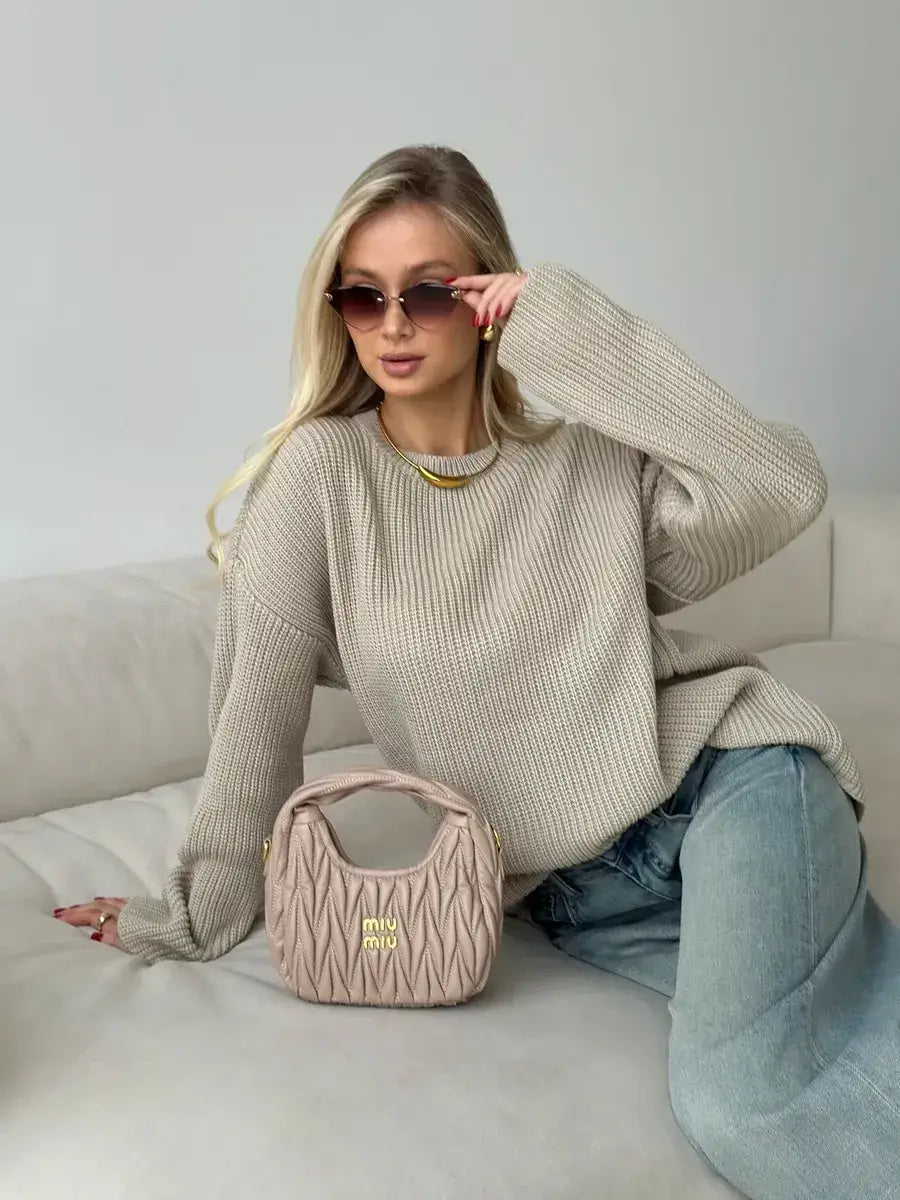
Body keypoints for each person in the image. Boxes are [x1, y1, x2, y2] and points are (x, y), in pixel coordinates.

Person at [53, 144, 899, 1198]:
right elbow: (253, 717)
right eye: (361, 296)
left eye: (430, 291)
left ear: (489, 296)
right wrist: (193, 915)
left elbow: (780, 483)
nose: (393, 324)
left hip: (735, 787)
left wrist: (569, 334)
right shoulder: (320, 478)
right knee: (859, 1045)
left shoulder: (590, 463)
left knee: (740, 1094)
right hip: (577, 894)